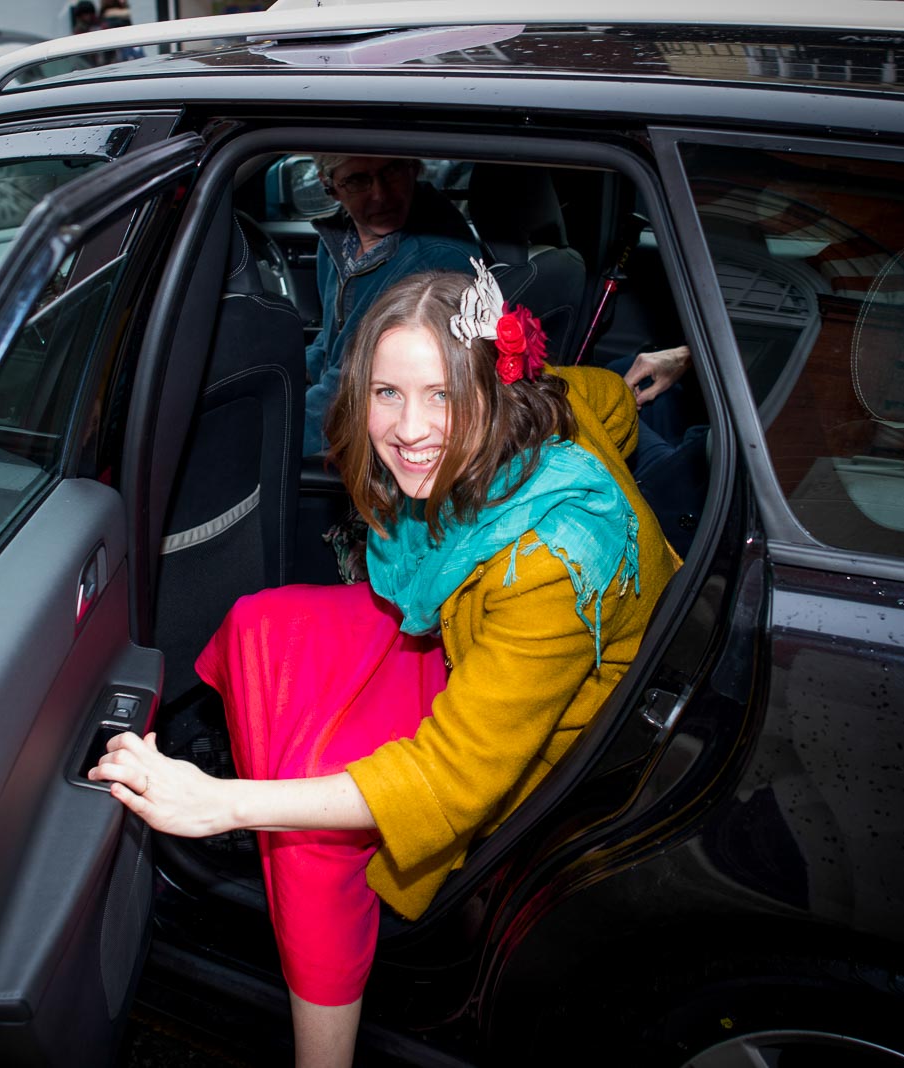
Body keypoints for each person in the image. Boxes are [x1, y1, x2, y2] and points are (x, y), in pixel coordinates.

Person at [89, 265, 679, 1066]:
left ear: (494, 387)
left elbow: (448, 780)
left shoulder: (544, 566)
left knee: (306, 847)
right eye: (387, 394)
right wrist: (655, 379)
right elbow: (607, 397)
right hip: (469, 645)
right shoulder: (552, 402)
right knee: (261, 622)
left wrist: (221, 806)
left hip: (521, 729)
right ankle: (249, 761)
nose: (409, 429)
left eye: (442, 395)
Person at [302, 156, 478, 455]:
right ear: (329, 185)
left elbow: (356, 384)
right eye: (358, 180)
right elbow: (331, 340)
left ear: (413, 167)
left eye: (392, 171)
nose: (380, 194)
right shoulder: (337, 238)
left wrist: (270, 428)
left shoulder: (437, 261)